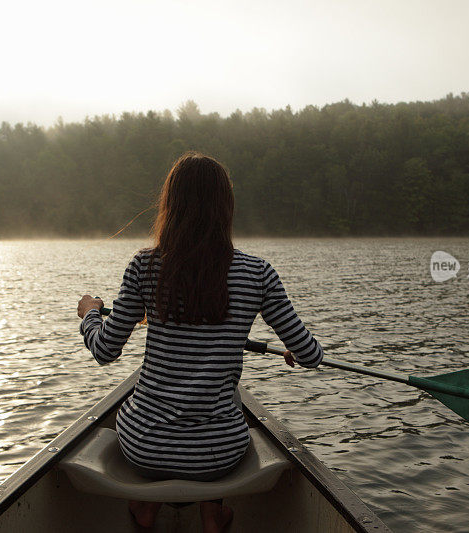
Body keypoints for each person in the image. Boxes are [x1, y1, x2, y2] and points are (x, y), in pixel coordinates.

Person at [77, 152, 323, 533]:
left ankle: (145, 510)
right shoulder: (259, 273)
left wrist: (91, 313)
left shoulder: (144, 266)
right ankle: (213, 516)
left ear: (170, 206)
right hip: (219, 455)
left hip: (145, 447)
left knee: (148, 408)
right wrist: (296, 350)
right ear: (226, 208)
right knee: (229, 398)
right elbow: (310, 355)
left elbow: (105, 350)